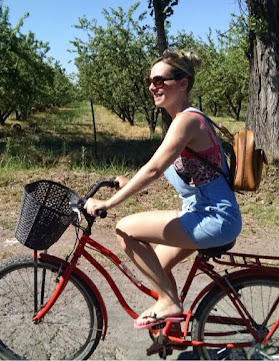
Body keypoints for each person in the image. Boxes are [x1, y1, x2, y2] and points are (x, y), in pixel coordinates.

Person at [84, 49, 242, 329]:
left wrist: (109, 204)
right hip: (206, 213)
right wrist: (127, 183)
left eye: (160, 80)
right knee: (157, 262)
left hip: (214, 217)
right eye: (150, 80)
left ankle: (169, 304)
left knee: (125, 229)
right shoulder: (182, 119)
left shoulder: (187, 121)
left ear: (182, 84)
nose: (152, 86)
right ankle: (174, 326)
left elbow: (154, 169)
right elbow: (165, 168)